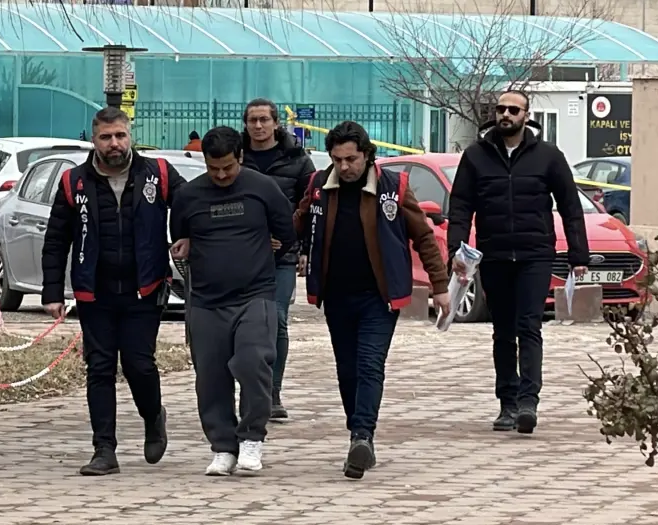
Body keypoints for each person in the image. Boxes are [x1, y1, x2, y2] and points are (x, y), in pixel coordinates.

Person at [294, 121, 450, 480]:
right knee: (347, 370)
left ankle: (362, 435)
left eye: (351, 159)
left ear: (366, 155)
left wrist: (439, 285)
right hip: (336, 295)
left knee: (369, 365)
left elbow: (424, 237)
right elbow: (297, 224)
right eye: (337, 160)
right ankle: (358, 433)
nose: (344, 167)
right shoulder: (319, 186)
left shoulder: (394, 186)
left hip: (379, 297)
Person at [41, 107, 187, 477]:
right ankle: (104, 449)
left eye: (120, 135)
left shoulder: (158, 173)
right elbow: (56, 240)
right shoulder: (73, 181)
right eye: (106, 137)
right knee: (100, 368)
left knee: (139, 364)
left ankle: (153, 417)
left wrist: (185, 236)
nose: (114, 143)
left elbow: (190, 205)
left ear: (130, 135)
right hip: (95, 292)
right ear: (94, 140)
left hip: (145, 288)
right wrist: (51, 291)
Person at [445, 90, 589, 435]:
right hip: (495, 255)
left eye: (513, 109)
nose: (505, 114)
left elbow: (570, 206)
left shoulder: (548, 156)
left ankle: (528, 403)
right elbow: (461, 206)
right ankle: (507, 403)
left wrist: (578, 255)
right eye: (501, 109)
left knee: (529, 326)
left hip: (534, 255)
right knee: (503, 331)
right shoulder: (476, 156)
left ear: (526, 115)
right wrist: (456, 251)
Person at [170, 126, 296, 477]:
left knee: (253, 362)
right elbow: (180, 234)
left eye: (228, 167)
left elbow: (286, 234)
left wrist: (264, 255)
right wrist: (185, 245)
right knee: (210, 377)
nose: (222, 175)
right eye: (214, 169)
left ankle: (252, 436)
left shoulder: (263, 189)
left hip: (255, 294)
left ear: (240, 157)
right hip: (206, 300)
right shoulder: (189, 196)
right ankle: (223, 446)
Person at [241, 98, 316, 423]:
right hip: (243, 254)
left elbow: (310, 207)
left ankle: (272, 392)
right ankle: (250, 390)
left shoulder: (297, 160)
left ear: (275, 123)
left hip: (283, 255)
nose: (258, 126)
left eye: (264, 120)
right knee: (246, 323)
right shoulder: (237, 157)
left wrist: (303, 249)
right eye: (252, 120)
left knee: (278, 319)